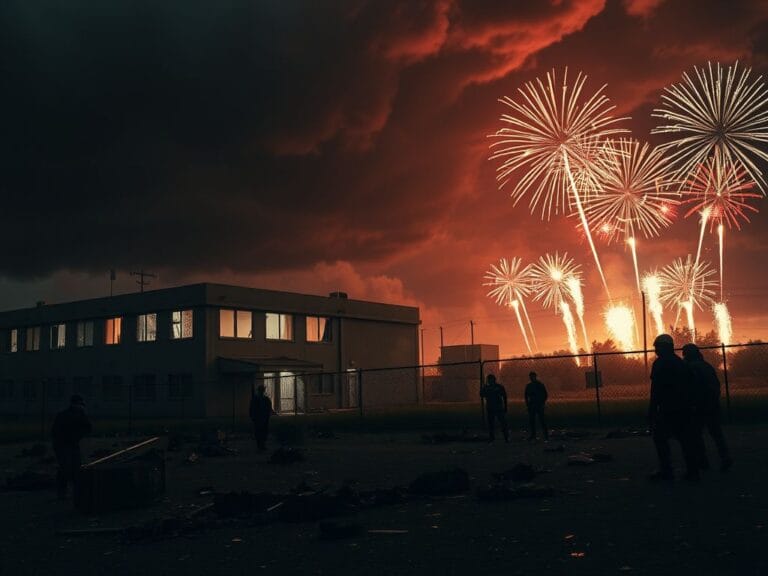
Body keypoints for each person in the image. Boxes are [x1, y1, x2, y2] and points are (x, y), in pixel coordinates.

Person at [648, 334, 699, 481]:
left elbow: (656, 389)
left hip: (668, 408)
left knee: (660, 439)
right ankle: (693, 471)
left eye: (658, 347)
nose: (656, 350)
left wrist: (652, 410)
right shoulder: (681, 363)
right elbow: (692, 385)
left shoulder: (660, 364)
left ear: (666, 347)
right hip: (684, 408)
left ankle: (666, 471)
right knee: (686, 440)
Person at [682, 343, 733, 472]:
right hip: (712, 404)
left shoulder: (691, 367)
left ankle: (703, 461)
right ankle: (725, 457)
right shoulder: (706, 366)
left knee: (696, 434)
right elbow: (715, 385)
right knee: (716, 433)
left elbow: (690, 387)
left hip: (699, 405)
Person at [51, 394, 92, 500]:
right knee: (67, 468)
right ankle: (67, 491)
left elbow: (87, 428)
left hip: (67, 444)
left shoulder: (66, 415)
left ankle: (67, 491)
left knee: (70, 468)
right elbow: (88, 428)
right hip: (65, 445)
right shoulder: (73, 415)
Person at [480, 374, 509, 443]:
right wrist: (483, 388)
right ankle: (492, 437)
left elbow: (504, 396)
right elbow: (481, 394)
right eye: (489, 380)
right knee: (491, 424)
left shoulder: (498, 387)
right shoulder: (488, 387)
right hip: (491, 408)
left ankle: (506, 437)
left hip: (498, 408)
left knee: (503, 423)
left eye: (491, 379)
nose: (490, 381)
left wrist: (505, 406)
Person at [524, 372, 548, 441]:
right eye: (530, 377)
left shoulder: (539, 385)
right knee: (532, 421)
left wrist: (542, 403)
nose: (531, 378)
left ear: (535, 376)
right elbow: (526, 396)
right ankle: (534, 435)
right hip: (532, 405)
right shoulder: (529, 386)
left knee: (542, 420)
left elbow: (545, 394)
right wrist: (528, 404)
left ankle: (545, 435)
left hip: (538, 404)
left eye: (532, 376)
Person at [249, 384, 273, 451]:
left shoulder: (265, 399)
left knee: (262, 432)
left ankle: (261, 445)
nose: (262, 391)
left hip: (263, 418)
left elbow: (268, 408)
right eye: (261, 390)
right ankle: (260, 446)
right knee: (259, 432)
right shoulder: (257, 399)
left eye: (262, 390)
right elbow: (251, 409)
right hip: (259, 419)